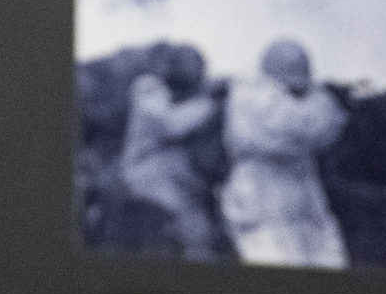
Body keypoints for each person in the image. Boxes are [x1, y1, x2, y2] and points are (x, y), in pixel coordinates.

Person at [218, 40, 350, 269]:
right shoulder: (247, 96)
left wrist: (300, 137)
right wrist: (300, 139)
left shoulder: (318, 100)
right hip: (259, 195)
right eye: (288, 65)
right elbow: (270, 135)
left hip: (304, 198)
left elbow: (324, 128)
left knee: (324, 267)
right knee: (272, 267)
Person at [116, 50, 227, 261]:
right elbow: (171, 125)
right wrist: (211, 104)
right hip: (148, 179)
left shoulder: (194, 96)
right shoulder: (149, 88)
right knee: (191, 237)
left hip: (181, 184)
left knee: (203, 238)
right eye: (191, 66)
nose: (199, 73)